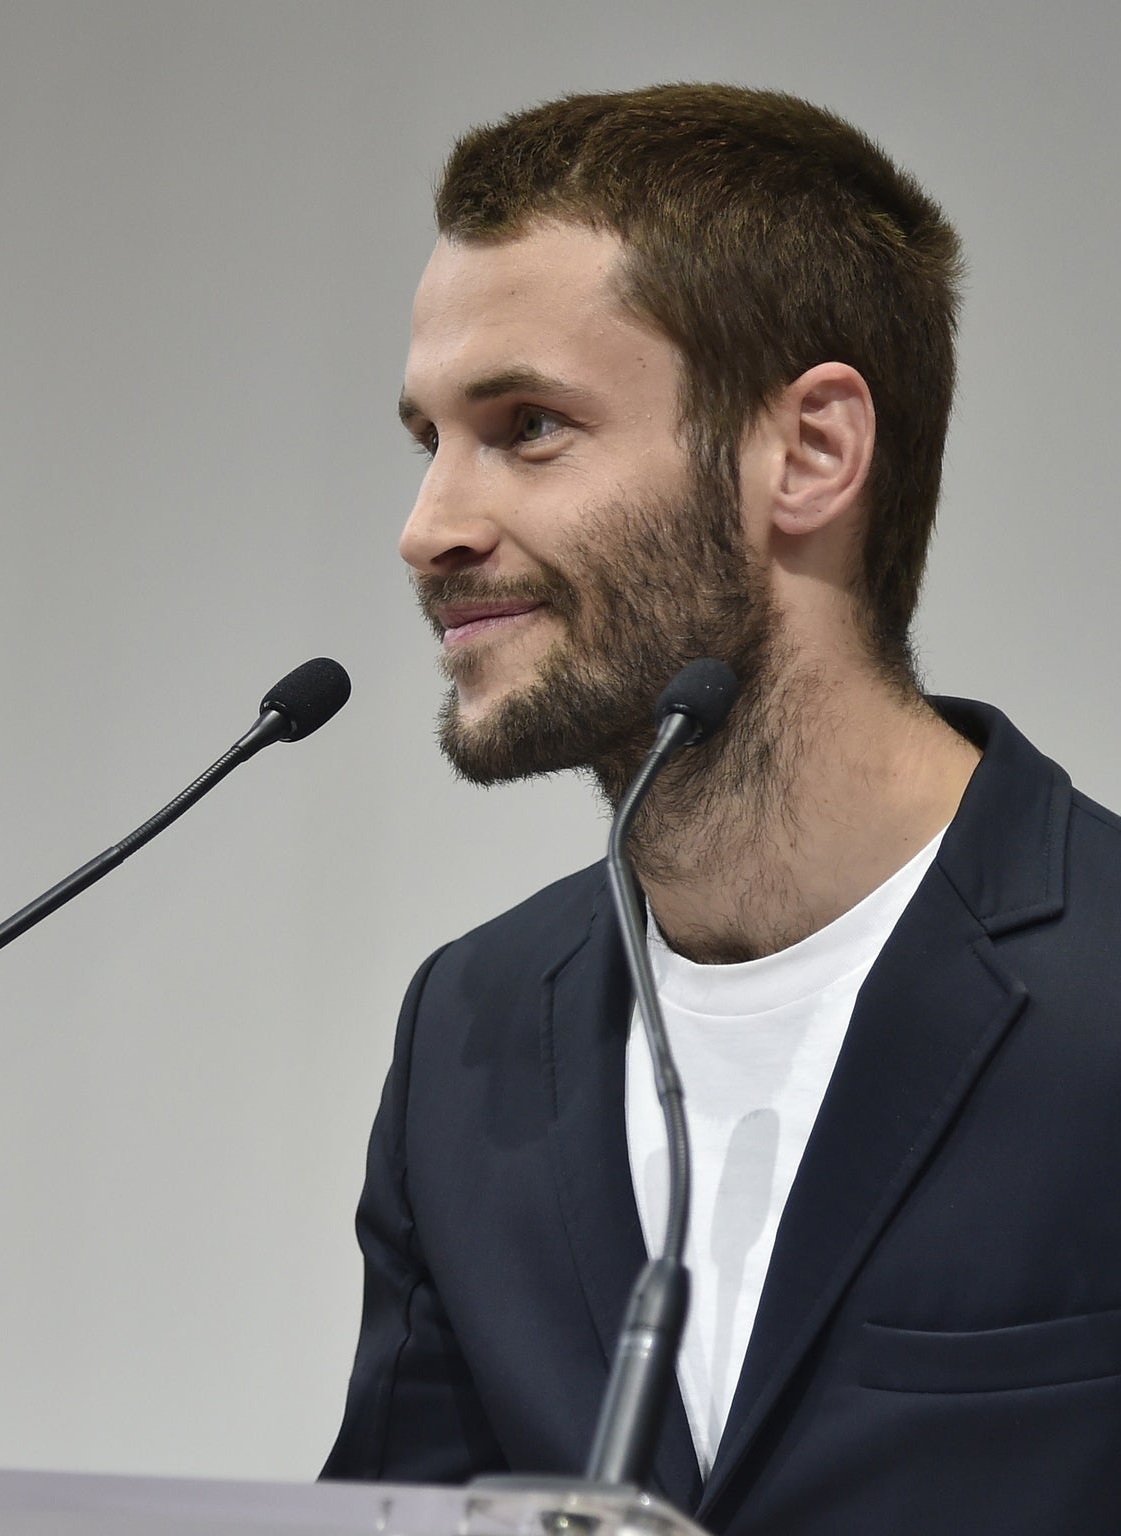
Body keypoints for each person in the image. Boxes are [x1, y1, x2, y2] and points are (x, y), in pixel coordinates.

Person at [323, 84, 1121, 1532]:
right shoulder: (470, 1027)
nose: (429, 523)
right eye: (429, 436)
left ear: (809, 452)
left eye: (526, 425)